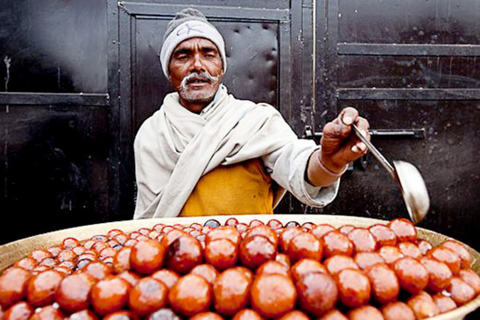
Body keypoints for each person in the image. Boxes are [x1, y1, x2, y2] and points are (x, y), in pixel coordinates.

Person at [133, 8, 369, 219]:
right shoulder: (153, 135)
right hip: (180, 263)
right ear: (168, 70)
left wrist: (328, 162)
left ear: (221, 67)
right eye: (183, 56)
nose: (197, 65)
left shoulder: (255, 122)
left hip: (249, 259)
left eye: (208, 54)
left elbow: (296, 164)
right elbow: (150, 222)